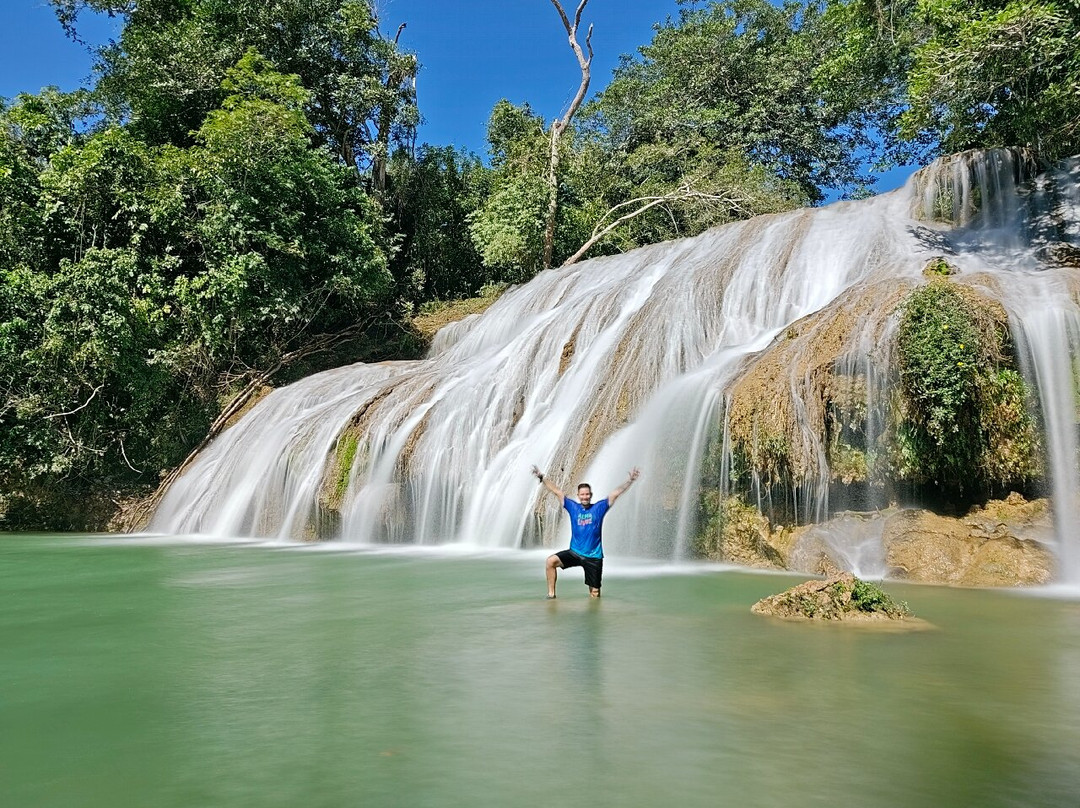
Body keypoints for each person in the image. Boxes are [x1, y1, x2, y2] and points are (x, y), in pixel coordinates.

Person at [531, 464, 641, 598]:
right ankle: (551, 595)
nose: (585, 497)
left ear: (591, 495)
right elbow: (557, 491)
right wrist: (542, 477)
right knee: (550, 562)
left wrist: (629, 481)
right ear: (578, 495)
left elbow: (615, 493)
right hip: (575, 552)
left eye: (587, 494)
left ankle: (593, 614)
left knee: (595, 593)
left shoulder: (599, 508)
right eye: (582, 494)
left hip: (594, 557)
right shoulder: (572, 507)